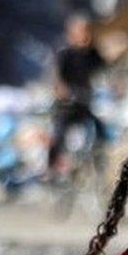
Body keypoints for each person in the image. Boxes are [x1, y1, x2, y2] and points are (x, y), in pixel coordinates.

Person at [46, 15, 108, 173]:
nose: (85, 35)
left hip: (85, 103)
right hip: (66, 106)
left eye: (87, 31)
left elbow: (106, 70)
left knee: (100, 130)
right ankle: (51, 168)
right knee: (59, 134)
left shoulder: (92, 53)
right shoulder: (65, 54)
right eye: (81, 32)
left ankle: (98, 164)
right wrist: (63, 90)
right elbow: (57, 79)